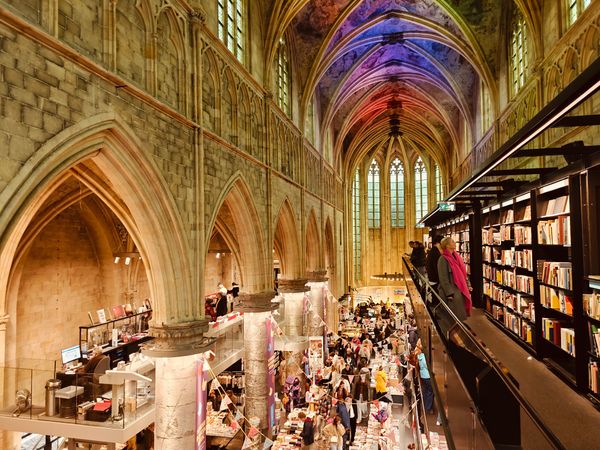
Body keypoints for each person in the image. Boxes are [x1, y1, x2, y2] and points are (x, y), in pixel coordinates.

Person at [437, 236, 472, 322]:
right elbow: (443, 277)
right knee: (454, 316)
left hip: (460, 289)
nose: (455, 243)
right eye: (452, 241)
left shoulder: (456, 256)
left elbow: (462, 273)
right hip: (452, 293)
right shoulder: (443, 259)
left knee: (460, 314)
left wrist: (468, 284)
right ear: (447, 245)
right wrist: (449, 293)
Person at [415, 339, 434, 414]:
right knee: (430, 392)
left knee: (426, 391)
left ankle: (425, 405)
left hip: (423, 376)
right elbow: (427, 366)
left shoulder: (419, 356)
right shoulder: (423, 357)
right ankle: (428, 408)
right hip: (427, 376)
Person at [426, 235, 443, 302]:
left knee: (435, 297)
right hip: (435, 279)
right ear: (439, 243)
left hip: (432, 278)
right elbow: (437, 268)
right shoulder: (436, 253)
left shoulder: (433, 251)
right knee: (436, 298)